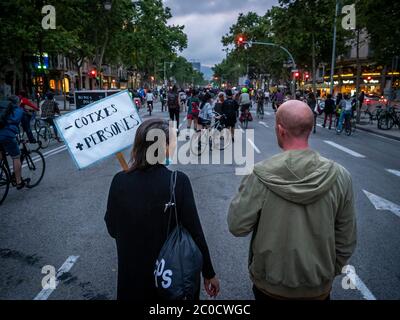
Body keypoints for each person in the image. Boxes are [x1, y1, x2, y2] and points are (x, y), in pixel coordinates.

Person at [228, 100, 357, 301]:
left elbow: (237, 226)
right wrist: (328, 271)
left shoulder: (260, 175)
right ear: (310, 128)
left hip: (270, 286)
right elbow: (346, 238)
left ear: (280, 130)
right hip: (318, 288)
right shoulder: (341, 176)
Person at [105, 118, 219, 300]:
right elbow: (195, 232)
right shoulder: (177, 182)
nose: (175, 146)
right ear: (163, 146)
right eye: (173, 141)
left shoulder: (119, 181)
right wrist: (209, 272)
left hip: (131, 282)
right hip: (169, 282)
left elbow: (112, 228)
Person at [0, 96, 27, 189]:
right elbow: (27, 128)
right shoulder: (20, 111)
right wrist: (32, 139)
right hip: (7, 135)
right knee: (16, 156)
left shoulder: (2, 107)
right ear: (18, 102)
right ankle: (19, 181)